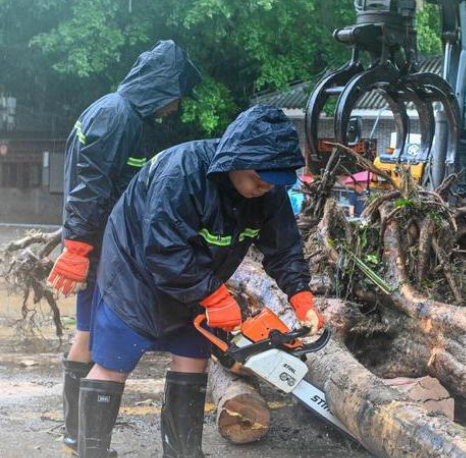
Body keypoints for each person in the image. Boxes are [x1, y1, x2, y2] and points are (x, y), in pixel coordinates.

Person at [77, 106, 322, 458]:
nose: (264, 186)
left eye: (273, 181)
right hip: (136, 269)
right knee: (114, 361)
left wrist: (301, 296)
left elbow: (284, 247)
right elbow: (162, 248)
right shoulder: (182, 173)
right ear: (236, 160)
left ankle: (182, 452)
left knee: (192, 356)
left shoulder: (268, 193)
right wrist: (213, 296)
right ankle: (92, 453)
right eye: (259, 177)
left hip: (200, 275)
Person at [46, 40, 200, 456]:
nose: (175, 109)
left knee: (86, 331)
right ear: (162, 89)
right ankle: (82, 438)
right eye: (176, 98)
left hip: (95, 240)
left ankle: (77, 437)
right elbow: (90, 187)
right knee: (91, 334)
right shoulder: (118, 117)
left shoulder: (116, 110)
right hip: (99, 246)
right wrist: (77, 248)